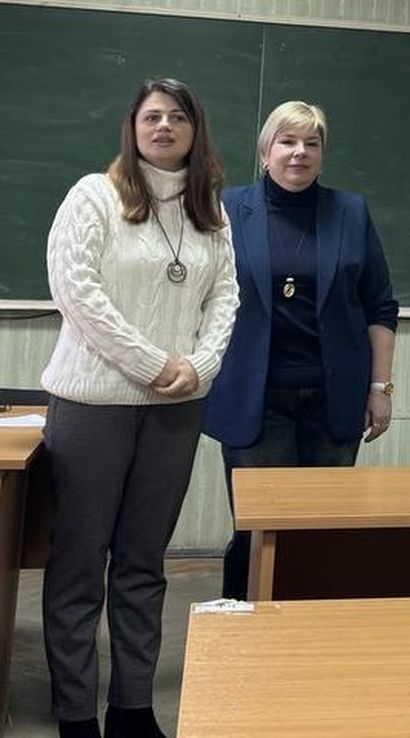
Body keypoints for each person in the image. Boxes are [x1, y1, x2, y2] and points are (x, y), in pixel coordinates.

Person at [40, 78, 239, 738]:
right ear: (132, 127)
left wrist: (200, 365)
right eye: (151, 116)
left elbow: (226, 298)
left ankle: (132, 710)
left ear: (194, 130)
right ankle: (76, 716)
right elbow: (77, 292)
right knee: (79, 565)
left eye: (177, 117)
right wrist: (155, 364)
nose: (163, 127)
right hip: (93, 405)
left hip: (176, 410)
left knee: (143, 563)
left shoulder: (210, 210)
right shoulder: (93, 195)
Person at [204, 101, 398, 600]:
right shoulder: (227, 210)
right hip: (255, 398)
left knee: (322, 529)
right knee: (259, 530)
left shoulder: (350, 212)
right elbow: (198, 298)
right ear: (265, 151)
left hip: (333, 400)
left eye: (312, 143)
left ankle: (312, 632)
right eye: (287, 142)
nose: (299, 152)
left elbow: (379, 305)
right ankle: (245, 626)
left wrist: (380, 387)